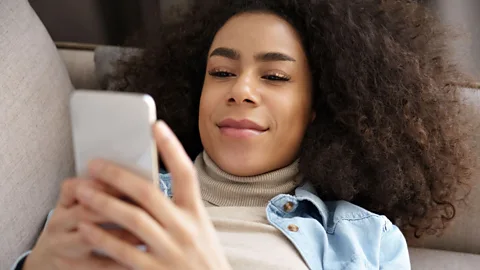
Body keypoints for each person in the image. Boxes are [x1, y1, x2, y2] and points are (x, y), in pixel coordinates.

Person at [12, 0, 475, 269]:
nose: (241, 90)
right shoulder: (112, 202)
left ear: (316, 109)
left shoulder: (362, 239)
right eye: (221, 71)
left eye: (274, 77)